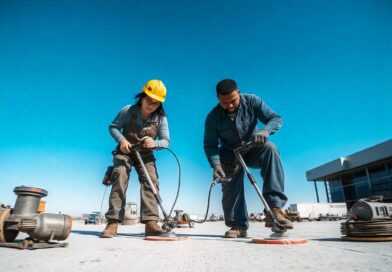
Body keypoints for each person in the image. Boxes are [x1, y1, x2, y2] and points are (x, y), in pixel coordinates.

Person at [203, 79, 293, 238]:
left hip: (253, 147)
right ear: (218, 98)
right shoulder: (212, 117)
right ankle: (238, 225)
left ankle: (275, 210)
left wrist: (265, 131)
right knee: (231, 186)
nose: (229, 105)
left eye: (233, 101)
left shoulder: (252, 101)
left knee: (270, 149)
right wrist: (215, 164)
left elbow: (275, 118)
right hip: (230, 155)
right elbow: (210, 145)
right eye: (224, 102)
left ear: (238, 93)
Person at [100, 79, 170, 238]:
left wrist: (155, 142)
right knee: (120, 174)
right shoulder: (128, 111)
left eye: (156, 103)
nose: (151, 105)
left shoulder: (161, 119)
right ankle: (112, 222)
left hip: (145, 155)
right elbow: (113, 127)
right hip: (125, 152)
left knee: (151, 181)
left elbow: (166, 141)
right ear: (142, 96)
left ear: (160, 104)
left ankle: (151, 223)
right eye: (148, 100)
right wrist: (122, 140)